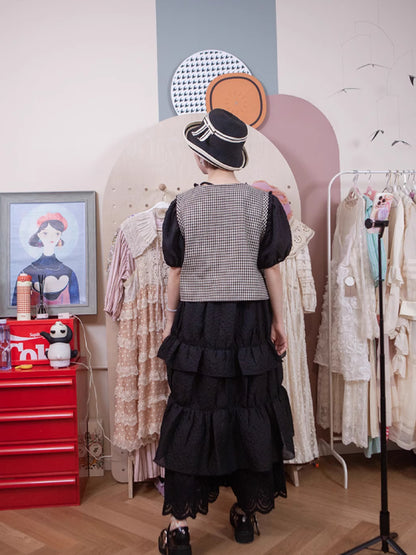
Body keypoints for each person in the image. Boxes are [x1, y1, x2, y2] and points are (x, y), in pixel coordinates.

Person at [155, 108, 294, 555]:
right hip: (249, 320)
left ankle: (179, 528)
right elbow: (271, 269)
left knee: (194, 410)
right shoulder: (264, 204)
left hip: (198, 321)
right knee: (248, 409)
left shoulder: (182, 205)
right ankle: (246, 514)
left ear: (202, 158)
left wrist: (170, 320)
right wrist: (280, 321)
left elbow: (175, 271)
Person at [12, 212, 80, 307]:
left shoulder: (69, 273)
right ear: (39, 235)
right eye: (45, 233)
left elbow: (76, 306)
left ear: (60, 236)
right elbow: (16, 307)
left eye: (56, 233)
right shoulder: (25, 273)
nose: (51, 237)